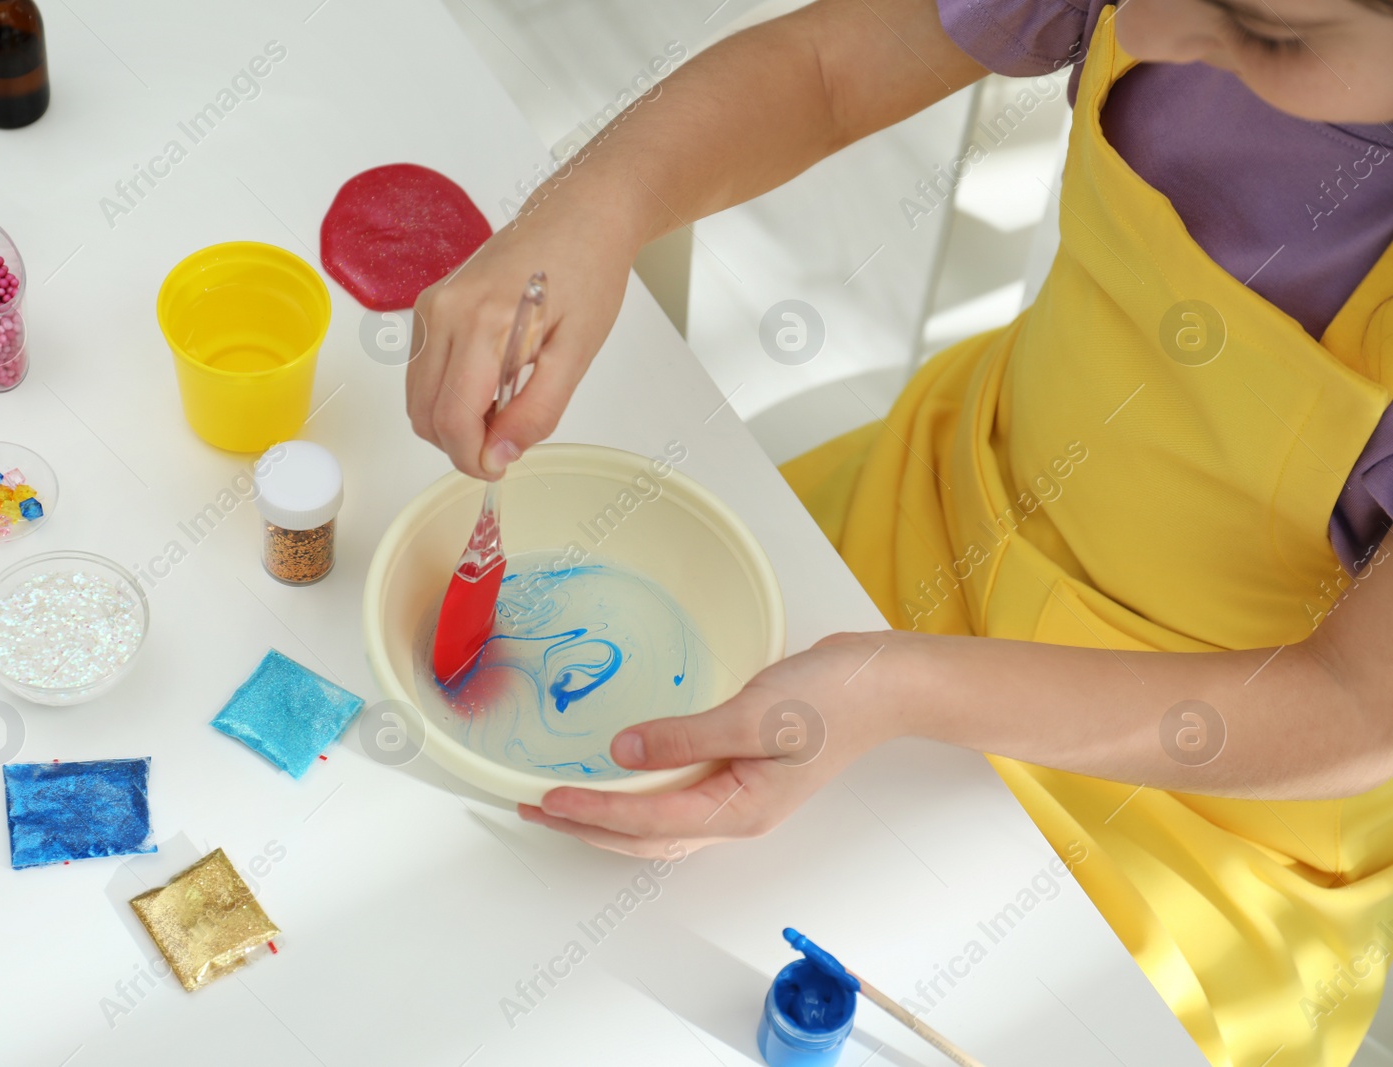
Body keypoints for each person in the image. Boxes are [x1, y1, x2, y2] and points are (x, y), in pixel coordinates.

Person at [406, 1, 1393, 1063]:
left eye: (1266, 33)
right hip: (929, 510)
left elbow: (1351, 701)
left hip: (1201, 800)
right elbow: (827, 68)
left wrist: (897, 688)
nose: (1143, 29)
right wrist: (598, 205)